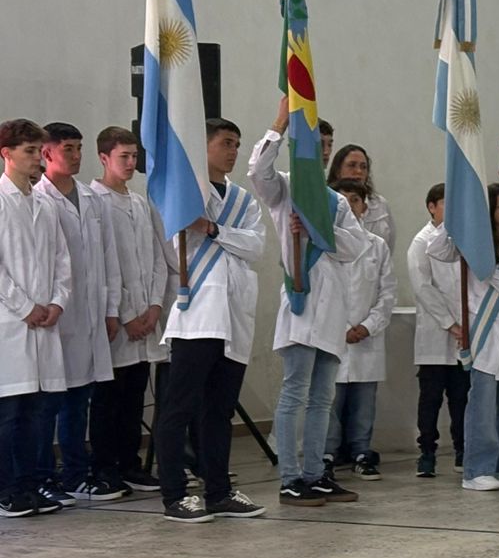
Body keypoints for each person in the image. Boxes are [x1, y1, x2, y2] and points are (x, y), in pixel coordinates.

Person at [250, 98, 368, 506]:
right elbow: (257, 171)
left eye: (328, 144)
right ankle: (290, 477)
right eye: (317, 142)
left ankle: (316, 474)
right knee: (295, 392)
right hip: (301, 301)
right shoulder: (286, 188)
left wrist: (318, 231)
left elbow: (356, 246)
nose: (324, 150)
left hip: (332, 307)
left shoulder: (336, 201)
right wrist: (280, 124)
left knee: (322, 398)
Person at [156, 117, 267, 522]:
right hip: (198, 316)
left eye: (237, 143)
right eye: (225, 143)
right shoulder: (188, 194)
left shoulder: (244, 200)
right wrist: (214, 230)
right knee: (179, 408)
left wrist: (214, 229)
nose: (233, 151)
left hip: (234, 318)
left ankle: (218, 490)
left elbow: (256, 246)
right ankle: (174, 495)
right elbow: (178, 242)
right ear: (202, 146)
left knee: (219, 411)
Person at [429, 183, 499, 491]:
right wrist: (457, 222)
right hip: (484, 333)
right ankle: (477, 469)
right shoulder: (472, 246)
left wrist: (486, 269)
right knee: (482, 404)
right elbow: (435, 249)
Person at [37, 123, 123, 504]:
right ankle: (47, 475)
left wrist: (111, 308)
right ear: (47, 153)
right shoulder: (39, 198)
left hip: (90, 315)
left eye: (78, 148)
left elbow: (107, 258)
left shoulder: (91, 199)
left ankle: (75, 474)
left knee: (79, 400)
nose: (75, 156)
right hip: (58, 315)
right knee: (50, 404)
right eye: (67, 149)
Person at [89, 127, 178, 494]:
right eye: (123, 156)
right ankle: (104, 466)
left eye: (134, 157)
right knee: (109, 398)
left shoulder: (140, 203)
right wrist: (126, 314)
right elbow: (104, 265)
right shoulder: (95, 202)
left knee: (134, 397)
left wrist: (154, 306)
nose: (130, 163)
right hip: (119, 320)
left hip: (146, 317)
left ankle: (130, 463)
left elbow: (157, 258)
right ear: (104, 158)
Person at [0, 120, 70, 517]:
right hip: (12, 322)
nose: (36, 158)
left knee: (37, 412)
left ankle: (30, 485)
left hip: (45, 321)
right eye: (28, 151)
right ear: (6, 154)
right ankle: (7, 489)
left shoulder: (45, 203)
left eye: (38, 151)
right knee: (10, 414)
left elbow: (62, 259)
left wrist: (58, 301)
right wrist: (25, 306)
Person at [326, 179, 396, 481]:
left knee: (364, 403)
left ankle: (361, 452)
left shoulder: (377, 246)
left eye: (354, 200)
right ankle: (326, 454)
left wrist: (367, 326)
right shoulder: (323, 244)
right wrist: (340, 328)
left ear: (364, 206)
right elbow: (322, 292)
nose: (348, 206)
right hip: (333, 335)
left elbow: (387, 293)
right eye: (341, 200)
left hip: (366, 338)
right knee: (329, 401)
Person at [408, 182, 468, 477]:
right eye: (445, 203)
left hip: (463, 334)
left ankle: (462, 450)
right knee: (430, 399)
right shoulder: (421, 242)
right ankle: (427, 453)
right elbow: (423, 287)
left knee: (461, 398)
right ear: (432, 207)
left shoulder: (462, 239)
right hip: (435, 333)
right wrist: (450, 323)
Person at [327, 143, 395, 251]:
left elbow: (389, 246)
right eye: (352, 165)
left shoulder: (380, 204)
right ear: (337, 171)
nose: (359, 171)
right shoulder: (326, 202)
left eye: (363, 167)